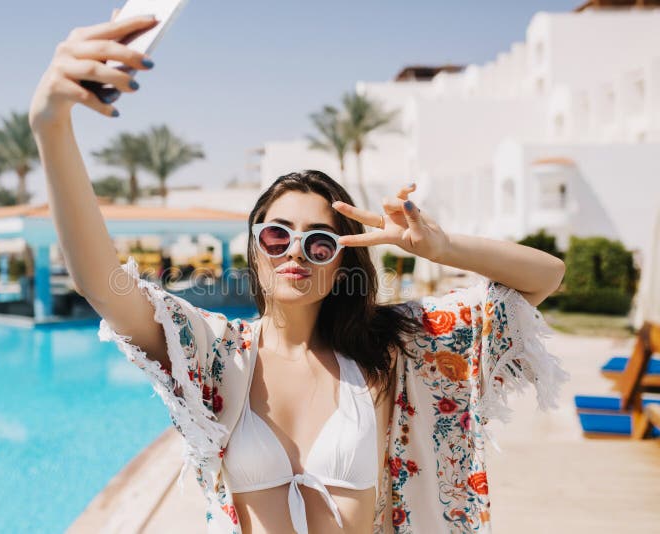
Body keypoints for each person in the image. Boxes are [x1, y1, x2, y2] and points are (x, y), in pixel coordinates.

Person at [28, 11, 570, 534]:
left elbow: (544, 276)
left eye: (320, 241)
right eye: (277, 234)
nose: (295, 253)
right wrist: (51, 124)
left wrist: (440, 245)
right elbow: (101, 282)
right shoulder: (217, 354)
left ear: (341, 260)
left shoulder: (387, 351)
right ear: (256, 248)